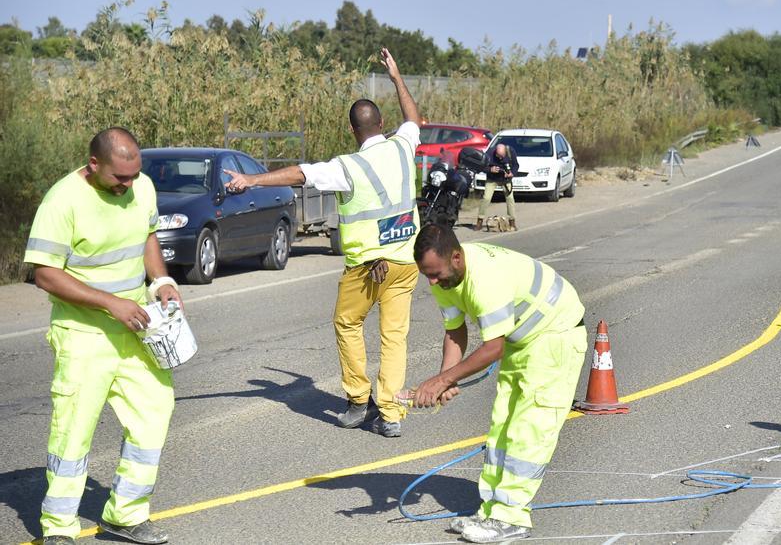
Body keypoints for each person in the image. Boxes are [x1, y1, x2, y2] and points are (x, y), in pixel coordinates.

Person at [222, 47, 421, 438]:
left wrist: (252, 180)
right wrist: (396, 77)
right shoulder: (403, 146)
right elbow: (414, 118)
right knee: (395, 337)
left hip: (366, 268)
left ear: (353, 131)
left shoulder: (346, 167)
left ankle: (359, 401)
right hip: (404, 263)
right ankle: (392, 415)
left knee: (348, 324)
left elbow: (299, 174)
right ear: (382, 123)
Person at [25, 127, 182, 545]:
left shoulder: (142, 186)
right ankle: (59, 528)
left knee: (155, 408)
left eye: (134, 175)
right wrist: (110, 303)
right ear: (94, 164)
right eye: (119, 178)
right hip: (83, 334)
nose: (129, 185)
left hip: (135, 328)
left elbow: (146, 236)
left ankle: (125, 515)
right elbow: (44, 273)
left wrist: (162, 281)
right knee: (73, 431)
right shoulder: (63, 200)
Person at [409, 224, 587, 543]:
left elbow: (493, 348)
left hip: (554, 335)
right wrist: (445, 379)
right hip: (523, 341)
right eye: (427, 274)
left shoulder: (485, 279)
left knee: (530, 428)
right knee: (502, 425)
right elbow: (455, 330)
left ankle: (512, 518)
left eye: (435, 273)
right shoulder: (444, 277)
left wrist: (443, 379)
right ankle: (491, 510)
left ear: (457, 257)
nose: (432, 282)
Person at [475, 143, 518, 232]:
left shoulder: (511, 152)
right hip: (492, 179)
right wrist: (490, 169)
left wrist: (512, 173)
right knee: (486, 198)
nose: (501, 158)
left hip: (505, 180)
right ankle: (479, 220)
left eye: (502, 156)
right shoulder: (489, 153)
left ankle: (512, 221)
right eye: (499, 156)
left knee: (510, 199)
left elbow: (516, 165)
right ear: (495, 152)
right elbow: (482, 166)